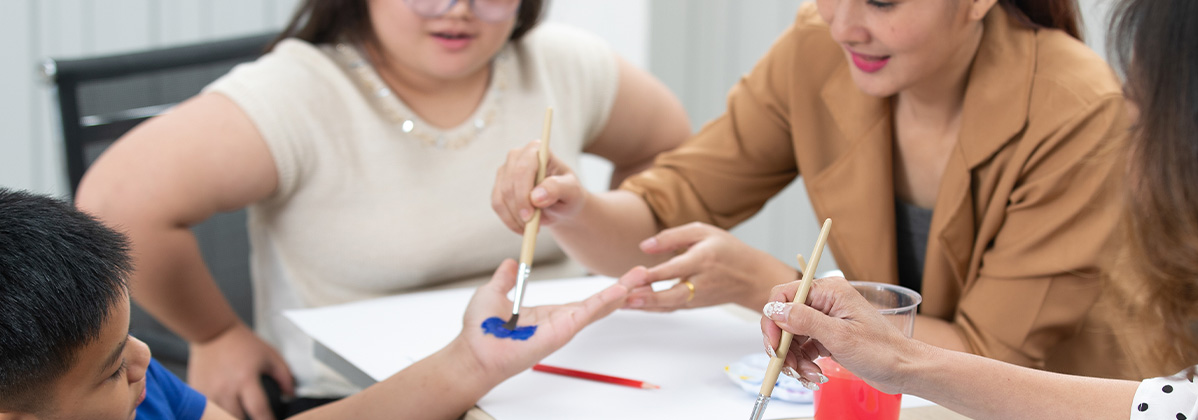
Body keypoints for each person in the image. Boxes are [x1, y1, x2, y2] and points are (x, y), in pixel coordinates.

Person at [75, 0, 690, 417]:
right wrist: (214, 333)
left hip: (573, 376)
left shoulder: (563, 61)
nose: (458, 9)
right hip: (375, 397)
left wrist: (593, 222)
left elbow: (671, 150)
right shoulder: (298, 92)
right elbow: (113, 202)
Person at [495, 0, 1133, 378]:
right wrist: (573, 209)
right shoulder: (816, 48)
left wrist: (765, 288)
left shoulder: (1078, 108)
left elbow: (992, 361)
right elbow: (660, 222)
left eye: (883, 0)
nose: (844, 26)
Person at [758, 0, 1198, 418]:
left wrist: (754, 277)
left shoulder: (1074, 105)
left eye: (1139, 126)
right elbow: (1188, 406)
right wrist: (899, 361)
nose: (843, 25)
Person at [0, 188, 640, 420]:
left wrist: (470, 363)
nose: (146, 358)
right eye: (113, 368)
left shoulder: (144, 389)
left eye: (130, 339)